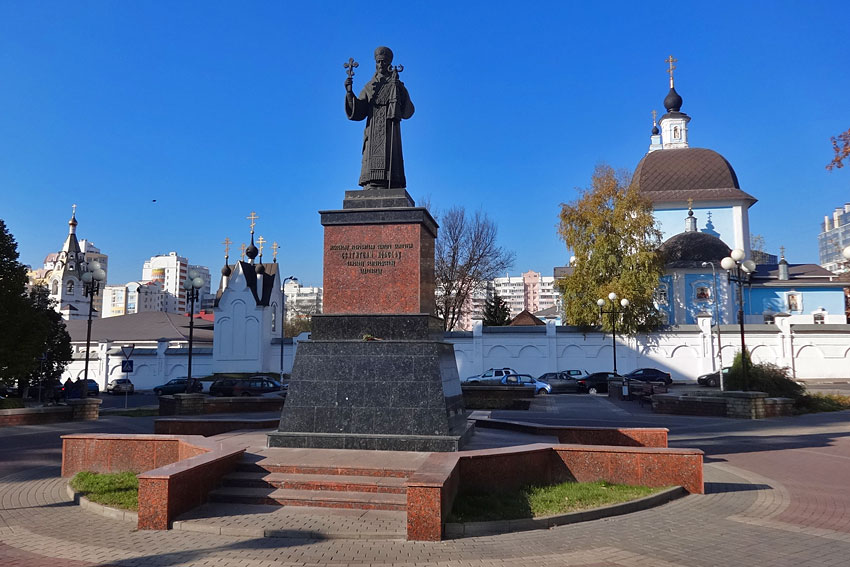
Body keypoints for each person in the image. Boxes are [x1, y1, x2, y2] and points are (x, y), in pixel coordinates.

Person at [345, 46, 415, 189]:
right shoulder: (369, 86)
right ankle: (371, 183)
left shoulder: (396, 85)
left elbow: (408, 112)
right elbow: (359, 110)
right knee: (371, 170)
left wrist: (400, 90)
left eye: (383, 61)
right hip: (373, 134)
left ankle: (392, 181)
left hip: (390, 134)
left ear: (389, 63)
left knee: (392, 165)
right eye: (378, 62)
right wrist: (349, 93)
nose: (381, 64)